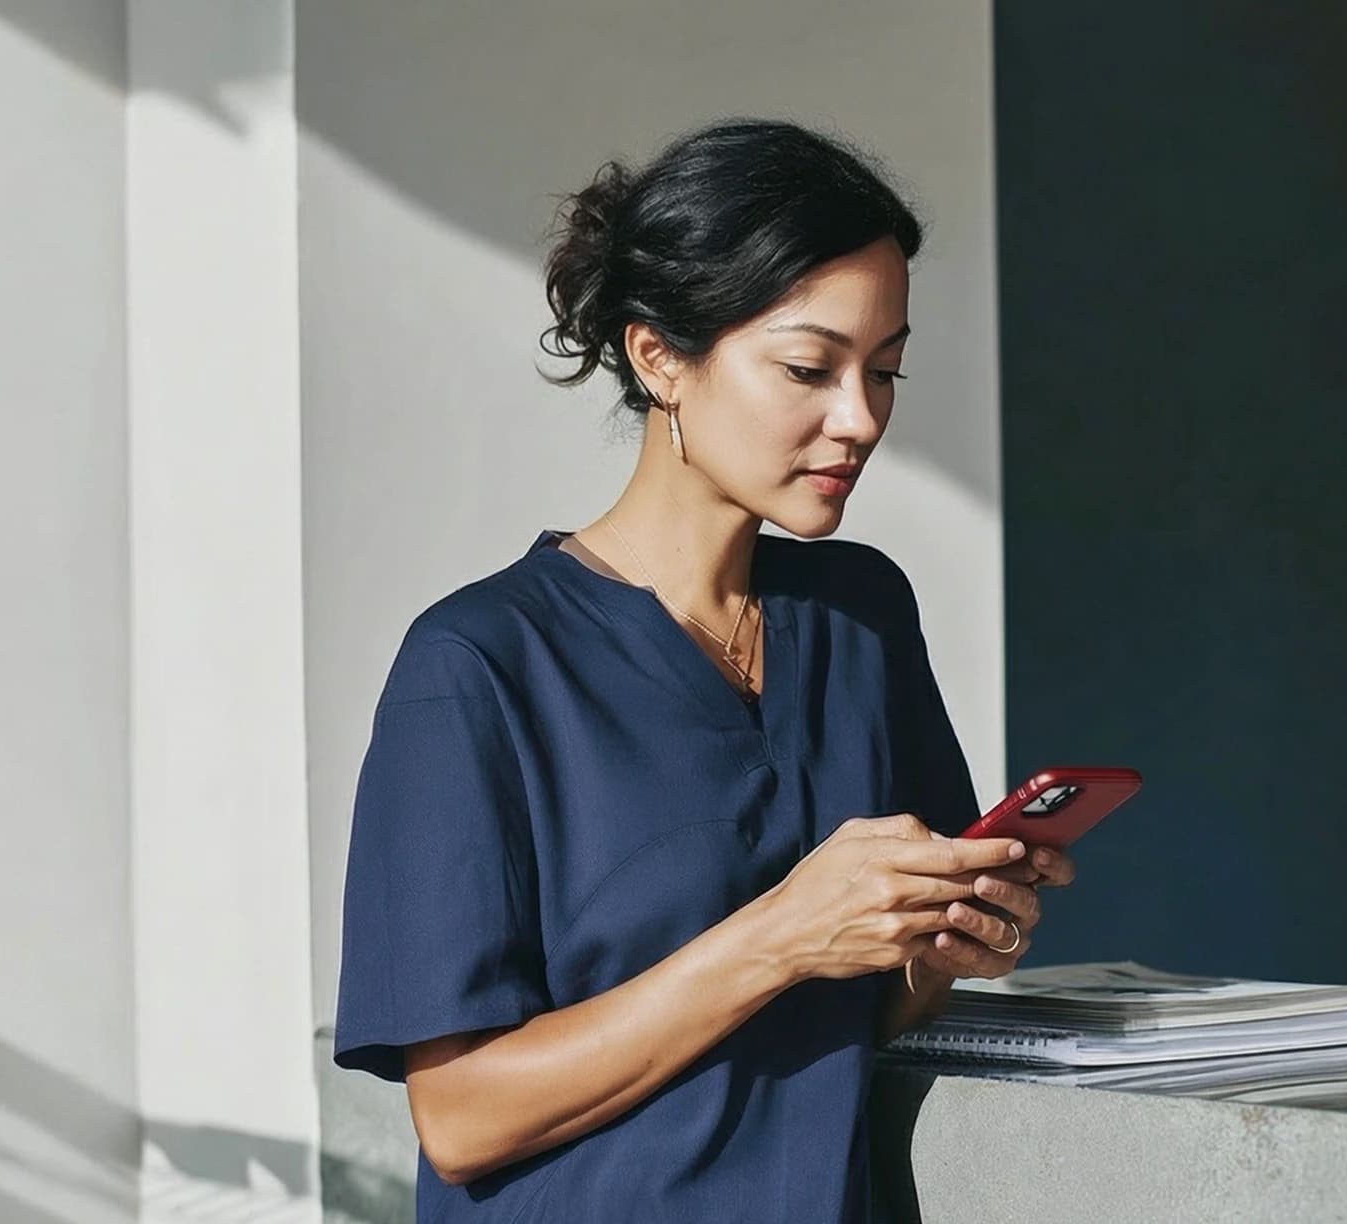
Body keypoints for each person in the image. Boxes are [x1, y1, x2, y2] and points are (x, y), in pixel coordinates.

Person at [332, 117, 1077, 1223]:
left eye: (885, 370)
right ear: (658, 357)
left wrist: (953, 941)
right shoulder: (478, 666)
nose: (860, 418)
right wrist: (781, 935)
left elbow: (860, 1011)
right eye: (809, 369)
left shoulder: (860, 616)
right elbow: (462, 1117)